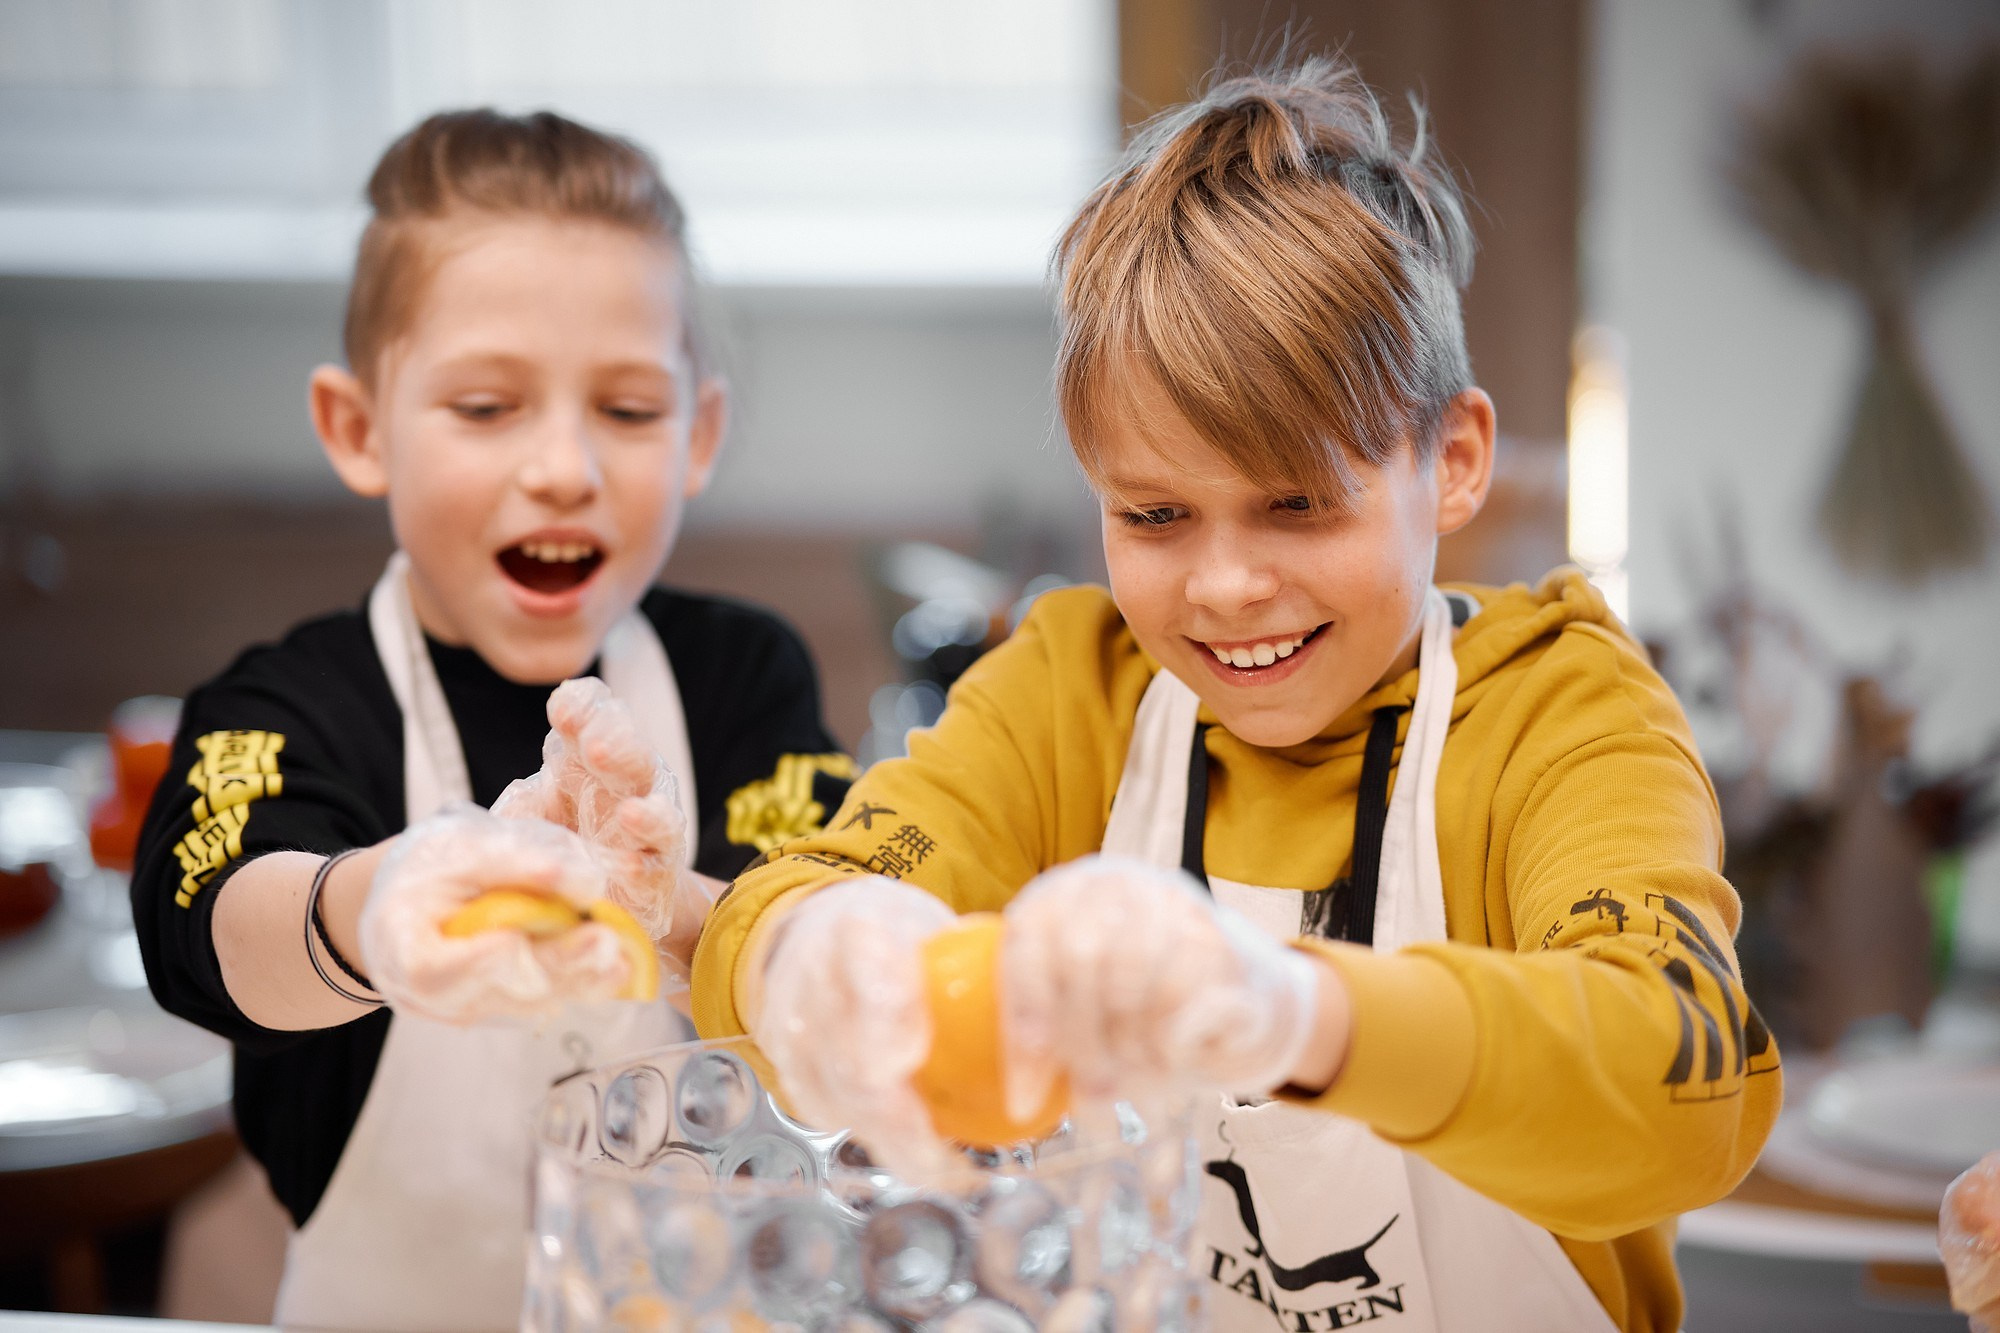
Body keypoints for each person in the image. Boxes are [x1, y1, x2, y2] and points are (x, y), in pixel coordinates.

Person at [690, 60, 1780, 1333]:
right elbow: (798, 891)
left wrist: (1291, 1010)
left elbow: (1681, 1088)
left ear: (1455, 460)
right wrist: (815, 945)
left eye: (1297, 504)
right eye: (1152, 515)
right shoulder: (1070, 691)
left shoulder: (1560, 715)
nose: (1223, 585)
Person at [131, 109, 855, 1331]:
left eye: (626, 411)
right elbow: (217, 931)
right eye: (485, 407)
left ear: (699, 436)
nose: (564, 465)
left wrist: (662, 902)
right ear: (358, 428)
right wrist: (385, 908)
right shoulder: (289, 702)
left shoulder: (742, 675)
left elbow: (819, 950)